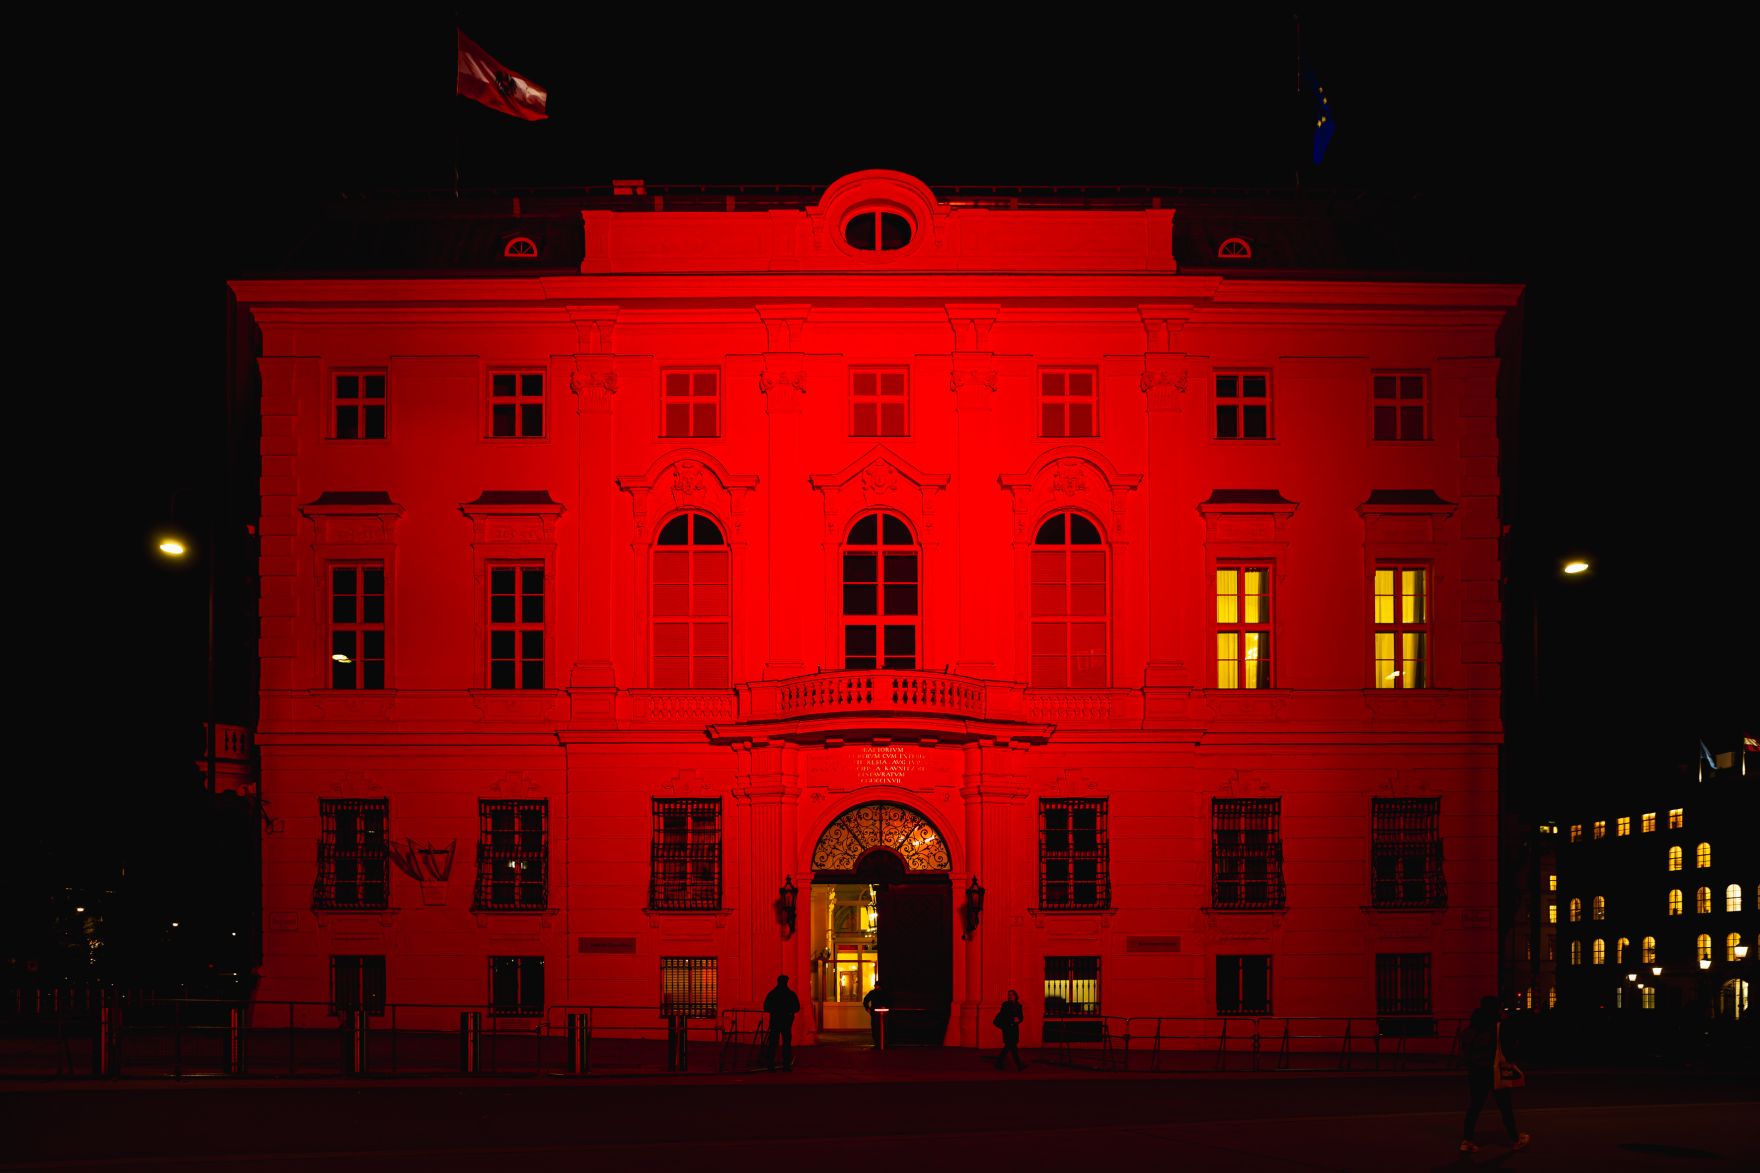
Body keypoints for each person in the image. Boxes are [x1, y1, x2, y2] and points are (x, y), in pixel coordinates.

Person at [1459, 995, 1529, 1153]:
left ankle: (1467, 1140)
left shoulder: (1472, 1026)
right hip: (1494, 1071)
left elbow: (1465, 1048)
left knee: (1474, 1106)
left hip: (1476, 1072)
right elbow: (1509, 1048)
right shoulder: (1499, 1026)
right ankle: (1515, 1139)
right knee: (1505, 1107)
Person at [762, 974, 800, 1071]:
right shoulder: (791, 994)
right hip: (786, 1022)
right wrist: (788, 1012)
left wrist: (775, 1011)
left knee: (773, 1043)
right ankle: (786, 1065)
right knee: (786, 1043)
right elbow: (797, 1007)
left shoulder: (772, 994)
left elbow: (766, 1006)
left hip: (775, 1021)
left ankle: (771, 1064)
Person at [992, 989, 1026, 1071]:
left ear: (1015, 996)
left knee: (1008, 1047)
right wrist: (1011, 1019)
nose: (1009, 996)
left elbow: (1021, 1016)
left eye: (1011, 994)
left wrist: (1019, 1019)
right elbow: (1003, 1016)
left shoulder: (1018, 1005)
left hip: (1014, 1028)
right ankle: (1019, 1065)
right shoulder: (1005, 1005)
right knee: (1012, 1047)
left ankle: (999, 1063)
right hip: (1007, 1028)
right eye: (1008, 995)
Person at [862, 977, 890, 1048]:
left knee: (875, 1027)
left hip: (874, 1012)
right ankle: (881, 1041)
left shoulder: (873, 993)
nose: (875, 987)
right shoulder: (885, 993)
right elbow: (889, 1001)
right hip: (882, 1012)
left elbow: (865, 1000)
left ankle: (877, 1041)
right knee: (881, 1027)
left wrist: (867, 1008)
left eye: (876, 985)